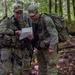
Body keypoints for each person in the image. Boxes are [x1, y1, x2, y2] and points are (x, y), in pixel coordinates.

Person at [0, 3, 33, 75]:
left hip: (18, 50)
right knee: (5, 70)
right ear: (13, 12)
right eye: (17, 13)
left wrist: (30, 36)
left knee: (17, 71)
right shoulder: (7, 21)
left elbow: (28, 33)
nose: (19, 15)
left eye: (20, 13)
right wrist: (14, 32)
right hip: (7, 49)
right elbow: (1, 29)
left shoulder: (23, 23)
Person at [28, 4, 59, 75]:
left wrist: (52, 47)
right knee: (42, 67)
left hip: (49, 47)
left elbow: (54, 34)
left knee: (51, 67)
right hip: (40, 48)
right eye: (30, 16)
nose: (31, 17)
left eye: (33, 15)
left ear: (37, 12)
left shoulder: (46, 19)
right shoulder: (33, 21)